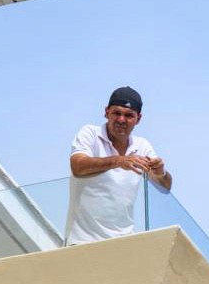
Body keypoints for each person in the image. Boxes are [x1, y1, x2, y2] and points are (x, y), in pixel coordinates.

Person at [64, 85, 171, 245]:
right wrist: (118, 161)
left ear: (138, 119)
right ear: (106, 112)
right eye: (116, 113)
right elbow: (78, 167)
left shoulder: (143, 145)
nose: (121, 119)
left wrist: (161, 172)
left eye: (128, 115)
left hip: (123, 243)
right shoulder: (90, 133)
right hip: (82, 241)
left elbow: (165, 186)